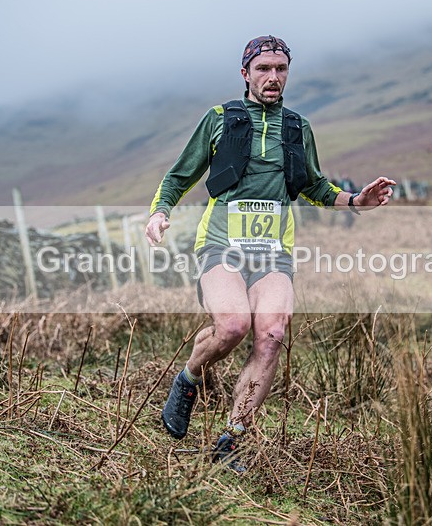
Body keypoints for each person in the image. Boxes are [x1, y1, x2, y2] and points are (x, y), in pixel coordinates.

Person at [145, 35, 396, 472]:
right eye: (263, 69)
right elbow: (179, 175)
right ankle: (189, 379)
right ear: (246, 74)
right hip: (221, 245)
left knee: (273, 335)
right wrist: (159, 213)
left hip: (273, 254)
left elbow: (314, 186)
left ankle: (231, 441)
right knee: (233, 326)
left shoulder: (298, 127)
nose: (273, 77)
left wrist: (357, 201)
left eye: (281, 69)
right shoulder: (220, 118)